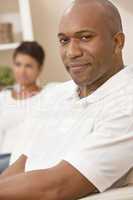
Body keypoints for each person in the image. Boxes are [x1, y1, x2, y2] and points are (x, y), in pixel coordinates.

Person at [0, 0, 133, 199]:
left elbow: (57, 187)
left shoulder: (127, 103)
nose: (72, 52)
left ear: (117, 42)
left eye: (85, 37)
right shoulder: (56, 94)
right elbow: (23, 163)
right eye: (64, 40)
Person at [0, 41, 45, 154]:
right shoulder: (3, 98)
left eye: (28, 66)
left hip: (30, 160)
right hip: (4, 160)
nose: (22, 71)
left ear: (39, 69)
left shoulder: (47, 97)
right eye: (18, 64)